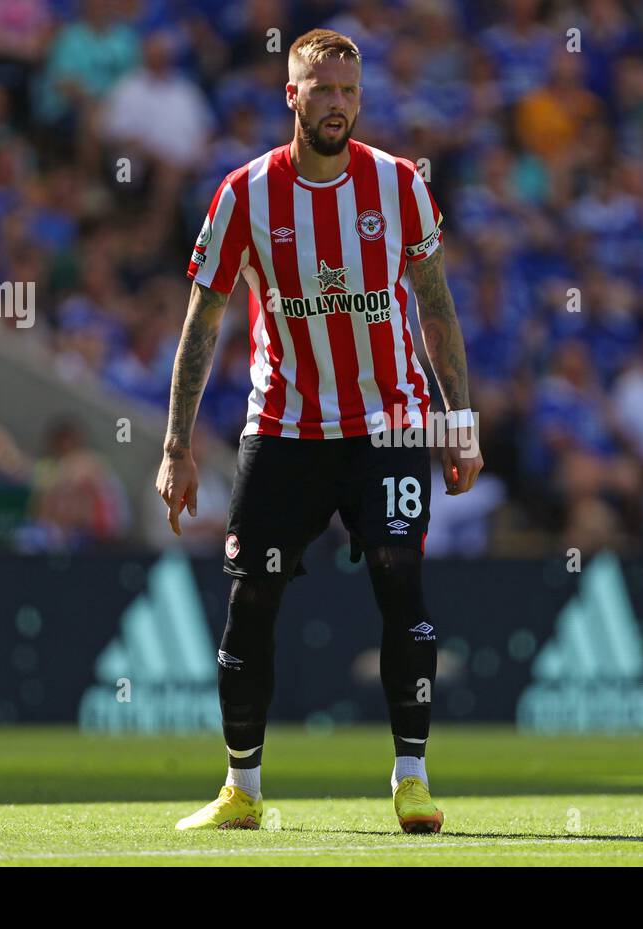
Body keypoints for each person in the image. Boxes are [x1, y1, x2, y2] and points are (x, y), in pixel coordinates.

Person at [155, 29, 482, 834]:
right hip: (286, 426)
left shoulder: (401, 186)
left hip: (390, 424)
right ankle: (242, 788)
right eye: (318, 88)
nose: (334, 103)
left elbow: (435, 309)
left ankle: (412, 776)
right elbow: (204, 321)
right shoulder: (245, 194)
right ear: (290, 96)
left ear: (359, 100)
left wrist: (460, 419)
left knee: (400, 582)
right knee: (252, 598)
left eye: (347, 90)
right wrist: (175, 445)